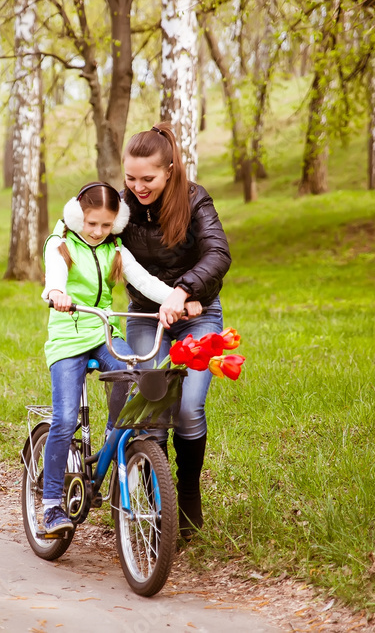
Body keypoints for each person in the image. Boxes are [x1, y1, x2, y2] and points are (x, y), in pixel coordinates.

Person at [40, 181, 176, 534]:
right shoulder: (61, 244)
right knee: (66, 418)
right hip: (68, 337)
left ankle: (113, 435)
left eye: (106, 225)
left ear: (116, 223)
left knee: (136, 377)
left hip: (103, 334)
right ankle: (51, 504)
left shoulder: (115, 249)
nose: (98, 231)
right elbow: (54, 277)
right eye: (91, 223)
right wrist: (56, 292)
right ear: (76, 216)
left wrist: (176, 299)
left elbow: (145, 281)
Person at [119, 122, 232, 542]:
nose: (138, 187)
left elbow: (218, 253)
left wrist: (186, 290)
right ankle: (153, 511)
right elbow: (81, 227)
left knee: (187, 409)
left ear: (169, 169)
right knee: (151, 412)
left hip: (196, 317)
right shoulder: (123, 206)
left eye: (147, 178)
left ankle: (186, 494)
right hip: (147, 316)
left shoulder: (194, 199)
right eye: (130, 178)